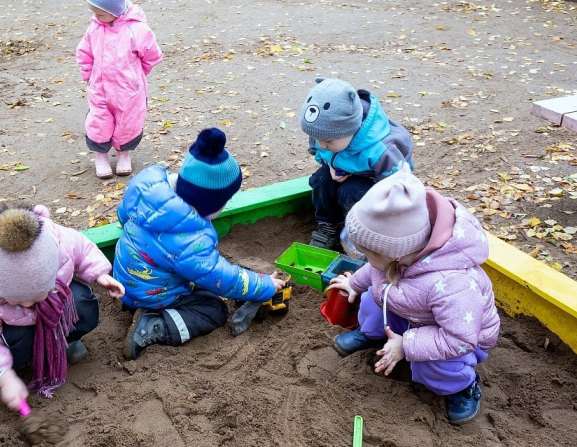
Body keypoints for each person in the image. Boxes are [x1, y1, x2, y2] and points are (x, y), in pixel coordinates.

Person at [325, 166, 500, 424]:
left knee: (431, 364)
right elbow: (375, 272)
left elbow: (460, 339)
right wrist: (356, 285)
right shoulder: (396, 255)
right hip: (412, 311)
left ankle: (461, 385)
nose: (366, 260)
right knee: (371, 298)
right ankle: (372, 336)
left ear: (395, 254)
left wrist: (406, 346)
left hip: (454, 337)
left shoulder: (454, 284)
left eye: (369, 254)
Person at [113, 127, 286, 360]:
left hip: (125, 276)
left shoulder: (149, 193)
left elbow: (123, 215)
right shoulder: (190, 239)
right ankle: (154, 324)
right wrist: (264, 286)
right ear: (209, 204)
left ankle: (145, 306)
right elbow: (221, 278)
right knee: (214, 309)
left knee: (198, 278)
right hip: (152, 294)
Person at [0, 205, 124, 411]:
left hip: (48, 302)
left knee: (82, 303)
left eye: (35, 297)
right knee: (18, 338)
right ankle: (3, 367)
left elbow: (82, 249)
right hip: (5, 322)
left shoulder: (56, 241)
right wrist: (3, 377)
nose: (27, 305)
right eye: (16, 300)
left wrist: (100, 274)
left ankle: (61, 342)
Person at [300, 77, 414, 250]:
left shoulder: (381, 150)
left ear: (351, 130)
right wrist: (331, 166)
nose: (321, 145)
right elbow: (322, 152)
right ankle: (328, 226)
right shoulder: (325, 131)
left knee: (351, 191)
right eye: (317, 139)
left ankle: (358, 232)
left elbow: (398, 187)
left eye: (328, 142)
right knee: (321, 180)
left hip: (378, 181)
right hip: (344, 170)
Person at [76, 0, 163, 178]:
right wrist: (87, 74)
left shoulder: (137, 29)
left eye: (100, 14)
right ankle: (100, 156)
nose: (96, 17)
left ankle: (124, 154)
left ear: (115, 11)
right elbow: (85, 52)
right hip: (99, 87)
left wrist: (136, 74)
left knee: (128, 121)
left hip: (128, 89)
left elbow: (151, 54)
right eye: (95, 13)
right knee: (99, 120)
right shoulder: (95, 28)